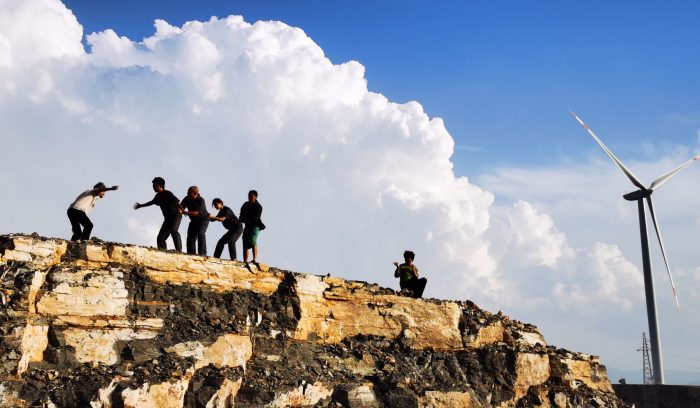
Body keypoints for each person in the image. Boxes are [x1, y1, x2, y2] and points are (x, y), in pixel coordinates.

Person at [133, 177, 183, 251]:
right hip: (167, 219)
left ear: (160, 186)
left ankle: (179, 250)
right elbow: (151, 202)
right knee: (160, 238)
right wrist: (141, 205)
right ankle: (163, 251)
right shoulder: (158, 196)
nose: (153, 187)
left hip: (175, 215)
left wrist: (182, 210)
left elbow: (176, 202)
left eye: (154, 185)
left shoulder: (167, 193)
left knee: (173, 230)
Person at [180, 186, 209, 256]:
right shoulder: (187, 198)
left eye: (189, 192)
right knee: (190, 237)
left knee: (201, 233)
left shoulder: (201, 200)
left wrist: (186, 212)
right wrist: (179, 209)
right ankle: (191, 253)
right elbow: (181, 206)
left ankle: (202, 254)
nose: (187, 193)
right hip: (194, 221)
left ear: (195, 193)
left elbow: (196, 213)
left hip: (203, 219)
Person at [239, 190, 265, 264]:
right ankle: (245, 261)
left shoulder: (259, 207)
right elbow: (241, 213)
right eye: (248, 196)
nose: (249, 197)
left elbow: (255, 218)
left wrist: (245, 219)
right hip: (247, 226)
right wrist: (241, 219)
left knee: (253, 241)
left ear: (255, 197)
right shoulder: (245, 204)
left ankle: (254, 259)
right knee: (245, 243)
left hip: (255, 225)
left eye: (251, 196)